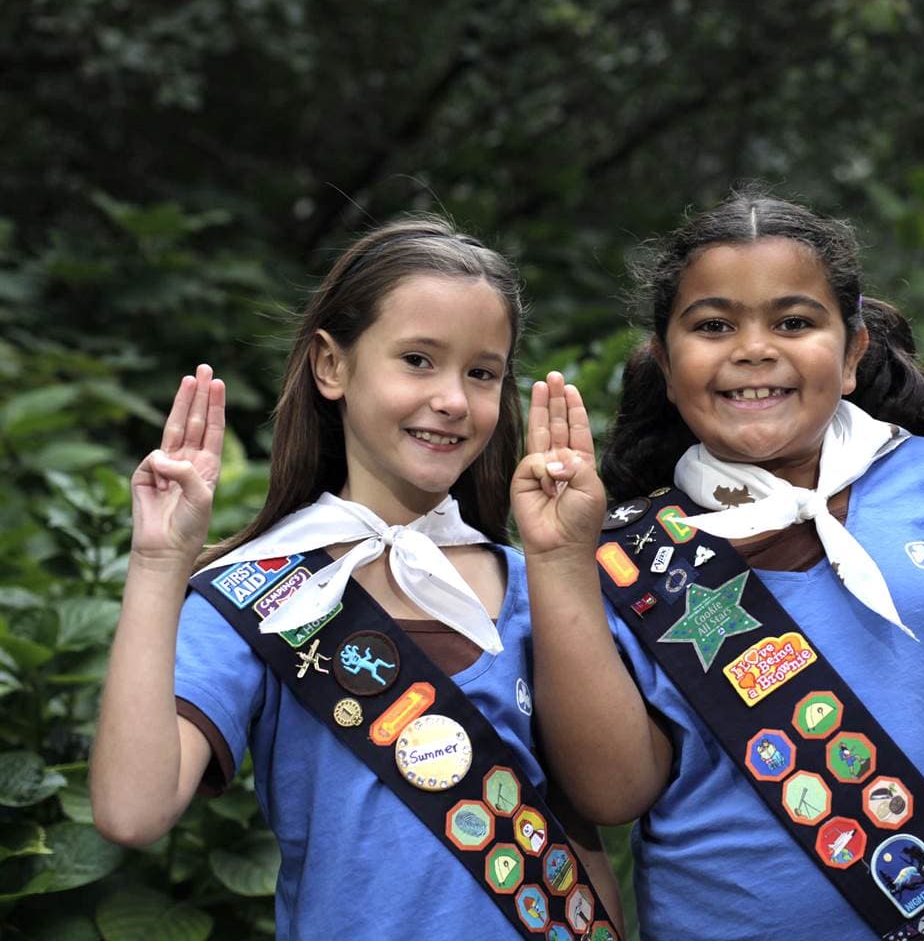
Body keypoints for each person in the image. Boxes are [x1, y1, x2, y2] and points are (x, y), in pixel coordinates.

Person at [512, 191, 924, 939]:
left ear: (852, 355)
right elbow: (612, 794)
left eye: (793, 322)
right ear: (666, 367)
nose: (752, 348)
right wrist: (556, 560)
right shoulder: (619, 551)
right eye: (712, 326)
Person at [90, 217, 621, 939]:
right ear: (330, 366)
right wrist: (158, 564)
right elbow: (131, 810)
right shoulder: (257, 594)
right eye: (417, 359)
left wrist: (564, 565)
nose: (454, 401)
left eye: (482, 372)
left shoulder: (539, 584)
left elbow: (602, 813)